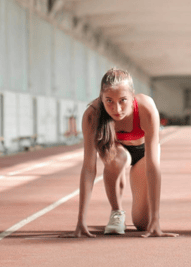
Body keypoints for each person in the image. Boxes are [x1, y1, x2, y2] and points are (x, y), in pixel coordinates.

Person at [62, 68, 178, 238]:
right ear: (101, 98)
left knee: (143, 224)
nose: (116, 109)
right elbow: (88, 168)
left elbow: (153, 167)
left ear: (133, 97)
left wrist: (156, 219)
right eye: (109, 101)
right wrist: (81, 221)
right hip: (116, 153)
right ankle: (117, 212)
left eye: (123, 100)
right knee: (121, 156)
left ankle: (147, 217)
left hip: (143, 155)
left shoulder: (146, 108)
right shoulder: (92, 115)